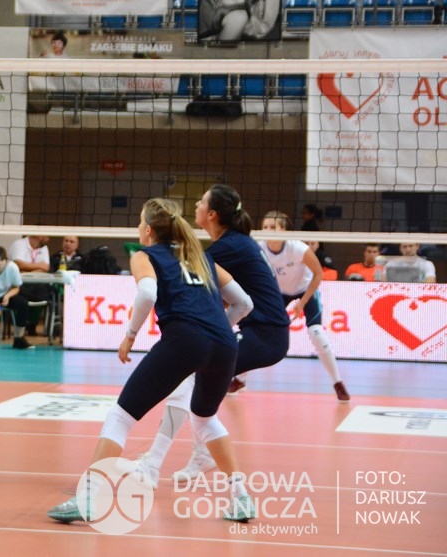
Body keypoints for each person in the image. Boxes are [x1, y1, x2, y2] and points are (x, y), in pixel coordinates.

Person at [48, 198, 256, 524]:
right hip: (225, 345)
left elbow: (147, 293)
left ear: (147, 229)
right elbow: (244, 304)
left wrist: (130, 335)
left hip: (185, 340)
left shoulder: (145, 256)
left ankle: (88, 498)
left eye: (139, 221)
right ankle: (241, 497)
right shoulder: (200, 256)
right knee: (204, 418)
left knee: (121, 416)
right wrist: (216, 329)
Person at [135, 185, 293, 486]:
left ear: (212, 214)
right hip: (258, 331)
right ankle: (200, 454)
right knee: (199, 388)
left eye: (201, 202)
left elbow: (192, 277)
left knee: (188, 379)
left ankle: (153, 462)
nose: (196, 205)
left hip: (265, 335)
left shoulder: (229, 247)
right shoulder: (234, 243)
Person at [259, 211, 349, 401]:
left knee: (316, 333)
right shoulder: (258, 247)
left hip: (304, 289)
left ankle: (338, 382)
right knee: (260, 330)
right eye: (265, 227)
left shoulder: (297, 247)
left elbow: (318, 274)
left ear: (284, 230)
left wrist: (303, 302)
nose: (268, 230)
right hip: (279, 292)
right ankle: (239, 379)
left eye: (273, 227)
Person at [7, 234, 51, 336]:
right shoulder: (19, 244)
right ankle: (20, 324)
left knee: (44, 293)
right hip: (19, 283)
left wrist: (27, 270)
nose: (49, 237)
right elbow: (19, 265)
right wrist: (39, 266)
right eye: (47, 234)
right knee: (20, 296)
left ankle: (32, 324)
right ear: (39, 236)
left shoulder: (44, 248)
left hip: (37, 283)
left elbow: (45, 268)